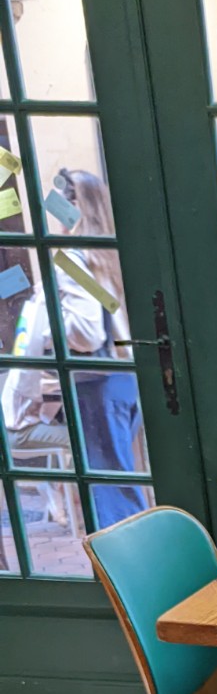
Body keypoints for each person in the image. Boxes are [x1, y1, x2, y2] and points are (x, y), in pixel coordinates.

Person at [1, 170, 144, 531]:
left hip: (95, 384)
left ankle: (126, 557)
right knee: (120, 479)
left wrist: (47, 325)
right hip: (121, 379)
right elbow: (116, 323)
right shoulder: (104, 254)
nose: (52, 211)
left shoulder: (70, 258)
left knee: (108, 488)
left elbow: (88, 333)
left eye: (57, 202)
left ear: (74, 206)